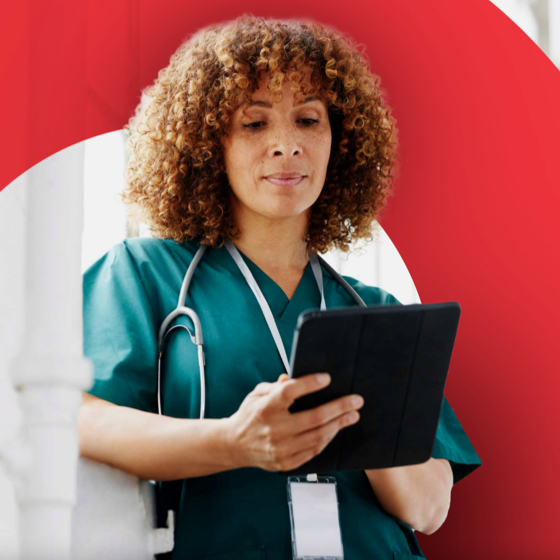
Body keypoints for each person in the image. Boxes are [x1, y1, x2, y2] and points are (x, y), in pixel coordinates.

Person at [78, 14, 482, 560]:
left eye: (309, 120)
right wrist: (233, 442)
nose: (287, 146)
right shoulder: (145, 275)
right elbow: (78, 418)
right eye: (254, 124)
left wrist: (358, 423)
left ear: (340, 140)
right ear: (207, 143)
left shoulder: (374, 310)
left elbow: (430, 509)